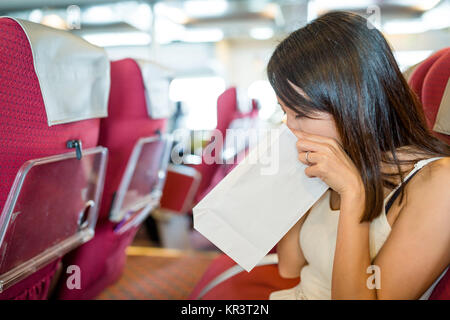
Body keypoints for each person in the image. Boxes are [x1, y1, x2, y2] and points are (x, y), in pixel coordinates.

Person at [266, 11, 450, 300]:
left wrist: (354, 193)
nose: (289, 126)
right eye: (284, 111)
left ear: (356, 104)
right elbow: (290, 267)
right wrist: (293, 180)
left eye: (300, 112)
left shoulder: (440, 183)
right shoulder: (343, 158)